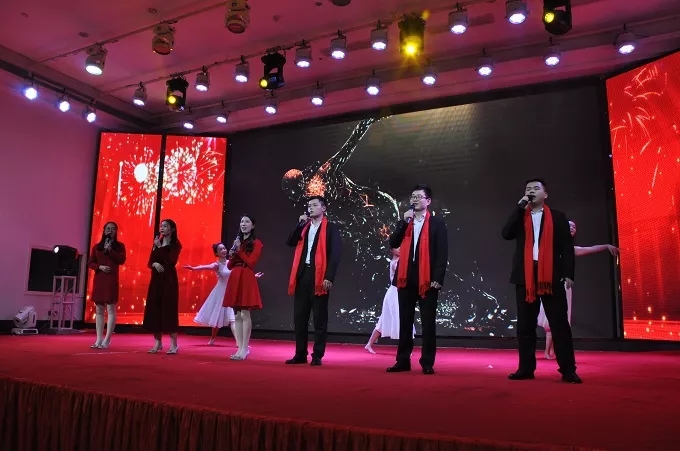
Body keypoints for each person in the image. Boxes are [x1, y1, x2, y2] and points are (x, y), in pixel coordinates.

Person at [501, 178, 582, 383]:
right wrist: (519, 208)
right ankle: (526, 368)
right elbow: (506, 234)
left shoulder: (557, 217)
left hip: (551, 275)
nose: (531, 191)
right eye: (528, 189)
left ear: (545, 194)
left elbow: (566, 247)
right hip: (525, 276)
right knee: (525, 325)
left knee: (559, 324)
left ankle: (568, 370)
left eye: (536, 188)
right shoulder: (521, 216)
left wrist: (569, 274)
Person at [386, 184, 448, 375]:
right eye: (412, 196)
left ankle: (427, 362)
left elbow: (442, 252)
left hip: (427, 278)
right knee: (405, 321)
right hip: (406, 276)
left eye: (419, 196)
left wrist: (438, 277)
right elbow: (393, 243)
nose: (414, 199)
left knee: (428, 322)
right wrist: (403, 223)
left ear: (428, 201)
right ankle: (402, 360)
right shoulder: (406, 221)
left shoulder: (437, 223)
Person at [539, 221, 619, 359]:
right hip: (553, 284)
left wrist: (606, 246)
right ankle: (547, 352)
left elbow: (590, 249)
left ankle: (551, 351)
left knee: (560, 320)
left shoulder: (571, 249)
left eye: (574, 226)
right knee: (552, 318)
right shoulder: (554, 246)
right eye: (568, 226)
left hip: (565, 286)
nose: (572, 228)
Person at [285, 195, 342, 366]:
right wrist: (299, 224)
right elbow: (290, 242)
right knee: (300, 318)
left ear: (323, 208)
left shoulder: (331, 228)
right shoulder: (305, 227)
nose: (310, 208)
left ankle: (317, 355)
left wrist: (329, 276)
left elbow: (335, 254)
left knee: (319, 319)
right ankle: (300, 354)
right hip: (302, 275)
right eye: (309, 205)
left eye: (314, 205)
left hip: (319, 276)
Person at [184, 243, 264, 346]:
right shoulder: (216, 265)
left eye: (224, 248)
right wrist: (193, 268)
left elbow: (240, 273)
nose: (224, 251)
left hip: (232, 291)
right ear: (216, 253)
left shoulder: (231, 263)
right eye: (221, 249)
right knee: (217, 318)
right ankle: (213, 338)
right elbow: (205, 267)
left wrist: (254, 276)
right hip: (220, 293)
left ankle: (239, 343)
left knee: (233, 319)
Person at [223, 214, 263, 361]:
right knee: (237, 315)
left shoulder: (257, 243)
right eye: (242, 222)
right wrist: (233, 253)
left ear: (253, 226)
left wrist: (239, 251)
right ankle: (239, 348)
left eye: (247, 222)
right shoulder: (237, 241)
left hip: (246, 277)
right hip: (235, 276)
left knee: (245, 314)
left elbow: (251, 262)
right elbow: (229, 265)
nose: (243, 224)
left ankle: (245, 348)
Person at [365, 248, 416, 354]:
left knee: (394, 319)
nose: (400, 250)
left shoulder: (398, 261)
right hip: (395, 293)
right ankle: (405, 348)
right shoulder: (396, 262)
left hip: (396, 292)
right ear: (392, 250)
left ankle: (369, 344)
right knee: (400, 318)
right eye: (397, 248)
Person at [143, 219, 182, 354]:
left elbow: (170, 261)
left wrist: (159, 247)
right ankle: (157, 342)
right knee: (155, 309)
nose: (162, 228)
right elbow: (150, 261)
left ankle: (174, 344)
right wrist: (154, 264)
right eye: (161, 226)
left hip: (168, 279)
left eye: (165, 226)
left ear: (172, 229)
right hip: (156, 280)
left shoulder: (175, 244)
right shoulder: (157, 242)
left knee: (169, 310)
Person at [87, 221, 126, 349]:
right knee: (99, 310)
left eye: (113, 228)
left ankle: (107, 339)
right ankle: (98, 339)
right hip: (100, 280)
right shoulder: (97, 247)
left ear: (116, 231)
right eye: (108, 228)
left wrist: (110, 250)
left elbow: (121, 260)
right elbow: (90, 263)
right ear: (104, 231)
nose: (110, 230)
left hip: (111, 281)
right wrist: (100, 267)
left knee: (110, 309)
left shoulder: (119, 246)